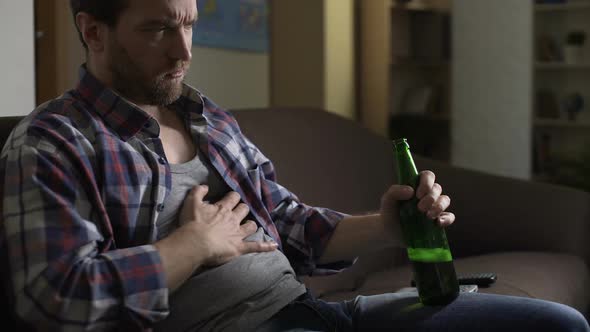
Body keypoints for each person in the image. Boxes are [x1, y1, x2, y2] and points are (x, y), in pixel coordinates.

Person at [0, 0, 588, 331]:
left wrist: (386, 223)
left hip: (318, 311)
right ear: (92, 31)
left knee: (558, 327)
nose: (183, 51)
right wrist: (192, 247)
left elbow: (290, 221)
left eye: (188, 24)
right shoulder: (53, 143)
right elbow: (53, 300)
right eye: (156, 28)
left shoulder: (206, 117)